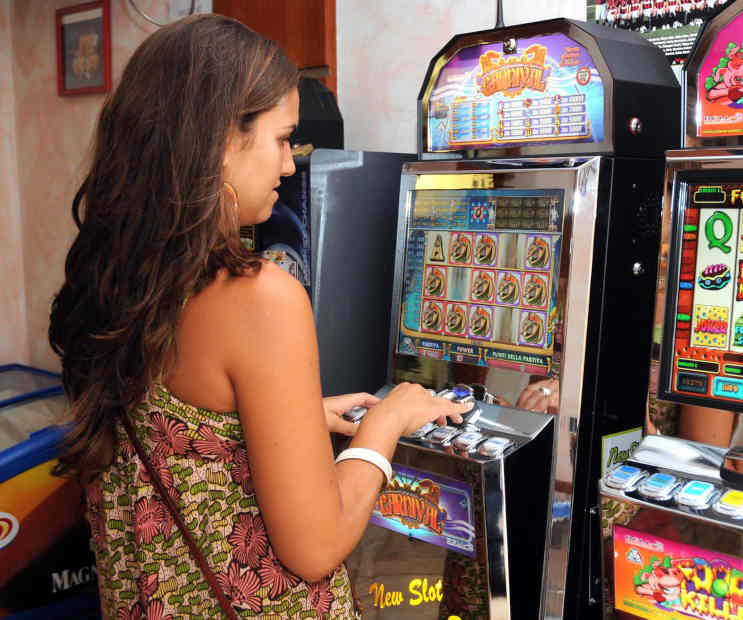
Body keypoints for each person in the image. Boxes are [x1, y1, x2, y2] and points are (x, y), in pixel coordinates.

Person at [48, 15, 469, 619]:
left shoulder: (119, 278)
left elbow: (183, 436)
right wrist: (392, 417)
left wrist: (294, 415)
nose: (291, 165)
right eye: (281, 139)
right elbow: (315, 546)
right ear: (219, 141)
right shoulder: (258, 296)